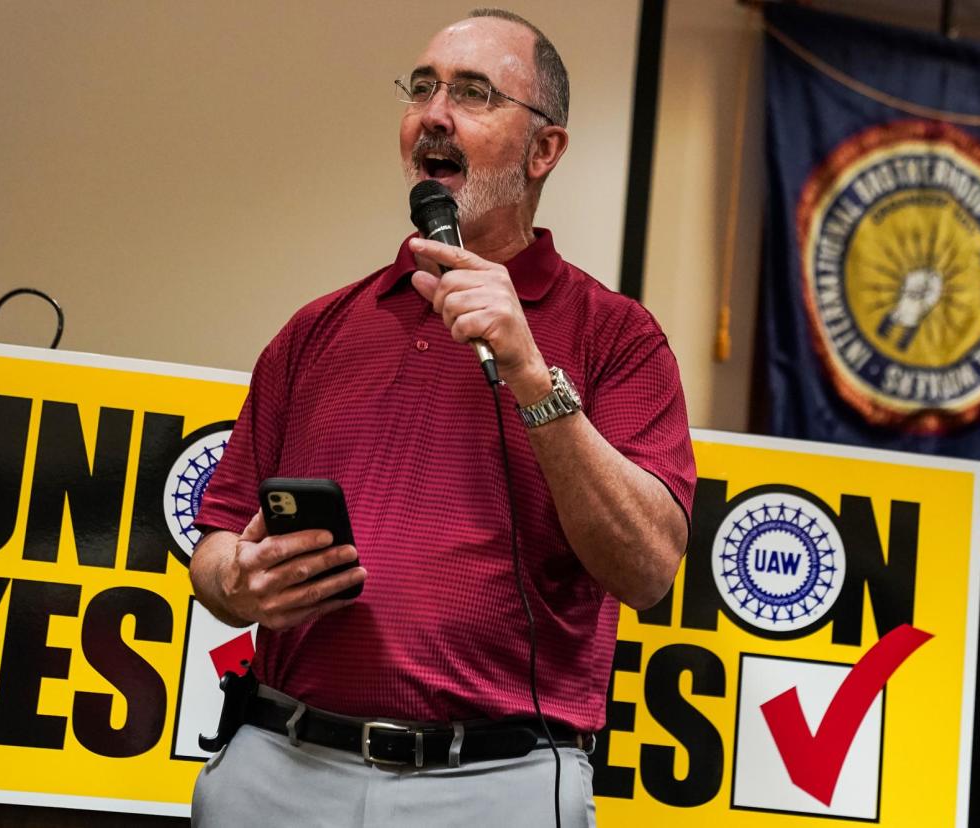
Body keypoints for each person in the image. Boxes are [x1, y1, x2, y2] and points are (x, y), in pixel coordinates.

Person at [188, 8, 695, 826]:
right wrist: (237, 583)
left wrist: (530, 370)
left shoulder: (618, 337)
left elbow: (649, 569)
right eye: (421, 87)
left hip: (492, 787)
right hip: (279, 767)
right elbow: (214, 548)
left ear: (545, 150)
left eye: (473, 93)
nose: (433, 111)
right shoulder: (317, 329)